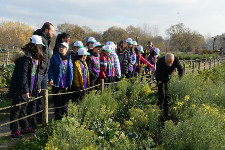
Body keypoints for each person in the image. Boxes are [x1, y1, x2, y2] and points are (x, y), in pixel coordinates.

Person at [8, 35, 44, 138]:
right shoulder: (24, 58)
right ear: (36, 46)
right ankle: (14, 130)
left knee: (23, 108)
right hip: (19, 88)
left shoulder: (33, 58)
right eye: (40, 47)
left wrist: (36, 86)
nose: (41, 49)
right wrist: (25, 90)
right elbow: (22, 76)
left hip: (26, 88)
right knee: (16, 109)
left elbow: (34, 74)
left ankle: (24, 127)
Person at [33, 22, 54, 123]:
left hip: (45, 72)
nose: (53, 33)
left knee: (43, 97)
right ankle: (33, 120)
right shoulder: (40, 39)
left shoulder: (48, 40)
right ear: (46, 30)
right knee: (36, 96)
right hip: (39, 72)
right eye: (52, 31)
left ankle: (41, 119)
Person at [48, 42, 73, 120]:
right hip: (57, 84)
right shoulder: (54, 57)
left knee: (64, 101)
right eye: (60, 47)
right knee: (57, 102)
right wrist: (51, 79)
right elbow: (50, 70)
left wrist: (70, 82)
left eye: (63, 47)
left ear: (67, 49)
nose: (61, 48)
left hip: (66, 84)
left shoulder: (69, 58)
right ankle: (58, 118)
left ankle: (64, 117)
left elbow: (71, 71)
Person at [155, 53, 183, 119]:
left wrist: (179, 79)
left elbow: (181, 70)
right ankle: (159, 113)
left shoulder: (176, 60)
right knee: (162, 95)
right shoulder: (160, 62)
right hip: (160, 78)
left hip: (169, 78)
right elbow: (157, 74)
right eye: (167, 63)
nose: (169, 65)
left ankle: (166, 112)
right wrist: (161, 83)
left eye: (171, 63)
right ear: (165, 60)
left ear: (173, 61)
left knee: (167, 95)